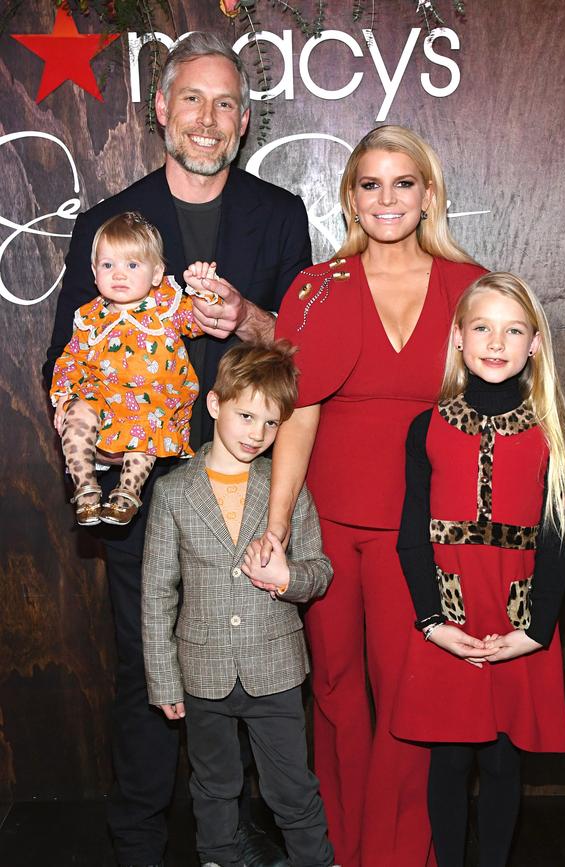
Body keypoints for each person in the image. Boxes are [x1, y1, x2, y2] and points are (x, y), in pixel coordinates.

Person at [43, 31, 310, 867]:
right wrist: (90, 434)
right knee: (149, 671)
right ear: (160, 109)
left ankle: (247, 830)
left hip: (246, 486)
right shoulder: (108, 224)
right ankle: (140, 842)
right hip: (145, 489)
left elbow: (304, 353)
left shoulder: (278, 214)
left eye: (226, 102)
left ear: (244, 120)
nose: (208, 118)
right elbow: (67, 360)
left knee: (256, 672)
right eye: (191, 98)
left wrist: (248, 318)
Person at [264, 125, 487, 867]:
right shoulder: (315, 287)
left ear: (428, 195)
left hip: (425, 530)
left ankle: (397, 852)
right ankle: (338, 846)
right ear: (350, 199)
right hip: (327, 528)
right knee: (333, 689)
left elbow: (512, 398)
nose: (386, 198)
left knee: (407, 692)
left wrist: (561, 469)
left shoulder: (471, 287)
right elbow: (297, 415)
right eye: (370, 184)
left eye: (402, 183)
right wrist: (276, 526)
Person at [393, 271, 565, 867]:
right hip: (449, 621)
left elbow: (559, 544)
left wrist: (533, 634)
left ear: (534, 345)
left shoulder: (552, 436)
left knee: (502, 759)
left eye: (513, 330)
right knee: (449, 759)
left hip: (517, 623)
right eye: (482, 328)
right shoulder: (426, 428)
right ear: (458, 338)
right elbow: (410, 539)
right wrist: (433, 623)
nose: (496, 343)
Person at [142, 340, 335, 867]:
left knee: (292, 788)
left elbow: (320, 571)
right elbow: (159, 592)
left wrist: (285, 577)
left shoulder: (286, 486)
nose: (257, 433)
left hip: (275, 667)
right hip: (202, 671)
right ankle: (219, 859)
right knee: (214, 786)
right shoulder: (174, 492)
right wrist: (163, 679)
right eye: (245, 415)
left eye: (271, 424)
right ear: (213, 405)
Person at [50, 214, 222, 526]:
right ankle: (86, 489)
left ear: (156, 273)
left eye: (132, 265)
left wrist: (204, 290)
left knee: (145, 426)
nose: (119, 274)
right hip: (102, 400)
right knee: (76, 415)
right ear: (94, 272)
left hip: (150, 405)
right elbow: (69, 361)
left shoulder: (167, 308)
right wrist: (65, 398)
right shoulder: (90, 318)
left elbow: (201, 320)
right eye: (108, 265)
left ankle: (128, 491)